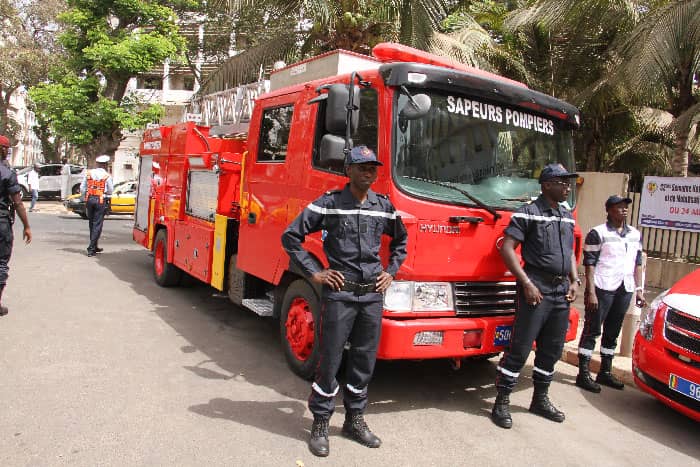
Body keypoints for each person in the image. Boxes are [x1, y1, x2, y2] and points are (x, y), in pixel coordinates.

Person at [281, 145, 407, 457]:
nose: (369, 171)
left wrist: (391, 271)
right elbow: (291, 237)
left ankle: (354, 419)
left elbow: (401, 241)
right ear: (347, 171)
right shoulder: (331, 205)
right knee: (330, 359)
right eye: (362, 167)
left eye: (372, 167)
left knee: (364, 359)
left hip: (372, 296)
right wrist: (315, 273)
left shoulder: (384, 206)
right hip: (341, 294)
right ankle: (321, 422)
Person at [491, 163, 580, 429]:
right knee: (520, 348)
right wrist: (526, 283)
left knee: (551, 350)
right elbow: (507, 248)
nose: (567, 187)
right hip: (536, 287)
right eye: (562, 182)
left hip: (561, 290)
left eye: (568, 182)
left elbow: (569, 249)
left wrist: (575, 280)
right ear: (546, 185)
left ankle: (540, 399)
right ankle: (501, 402)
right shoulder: (529, 213)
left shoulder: (567, 215)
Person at [575, 195, 645, 392]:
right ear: (609, 210)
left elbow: (637, 263)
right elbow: (589, 263)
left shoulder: (635, 234)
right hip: (602, 287)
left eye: (625, 207)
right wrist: (591, 292)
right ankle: (583, 373)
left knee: (612, 332)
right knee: (592, 330)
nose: (623, 210)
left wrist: (639, 290)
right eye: (619, 207)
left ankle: (605, 371)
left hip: (625, 288)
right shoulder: (598, 233)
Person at [0, 135, 32, 316]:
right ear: (3, 150)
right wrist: (26, 226)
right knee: (1, 263)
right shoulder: (7, 173)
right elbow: (18, 203)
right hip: (2, 223)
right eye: (7, 149)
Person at [80, 155, 113, 257]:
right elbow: (110, 190)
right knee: (97, 224)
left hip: (89, 199)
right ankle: (91, 248)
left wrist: (84, 197)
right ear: (105, 165)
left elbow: (82, 188)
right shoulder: (107, 176)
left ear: (98, 164)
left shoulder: (89, 173)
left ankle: (95, 246)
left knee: (92, 224)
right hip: (100, 200)